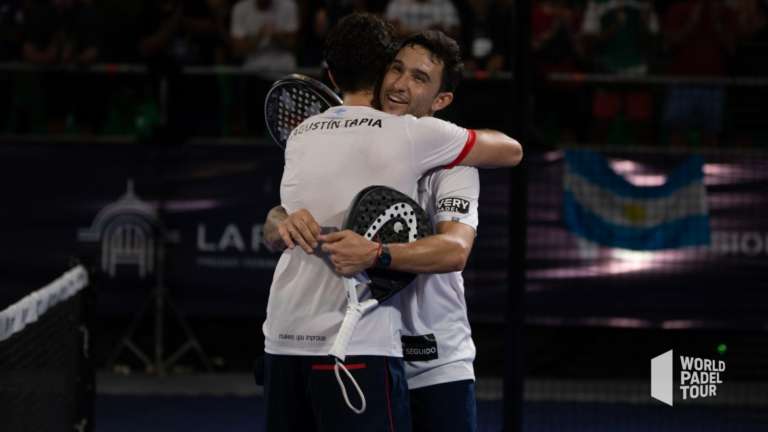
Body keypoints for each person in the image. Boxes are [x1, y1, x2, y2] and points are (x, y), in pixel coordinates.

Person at [264, 22, 520, 430]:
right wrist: (278, 218)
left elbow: (455, 250)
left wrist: (379, 254)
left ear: (441, 100)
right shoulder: (362, 139)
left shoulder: (454, 165)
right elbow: (288, 209)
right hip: (373, 346)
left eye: (419, 78)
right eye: (397, 69)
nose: (400, 83)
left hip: (434, 361)